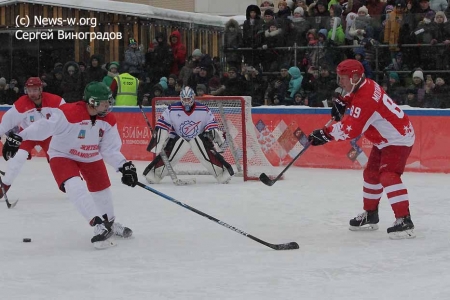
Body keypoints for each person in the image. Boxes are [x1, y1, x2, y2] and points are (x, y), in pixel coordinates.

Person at [2, 82, 138, 249]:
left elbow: (109, 149)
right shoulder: (67, 113)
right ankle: (98, 225)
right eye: (105, 102)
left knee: (101, 189)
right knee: (74, 185)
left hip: (90, 155)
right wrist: (20, 137)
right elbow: (43, 127)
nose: (108, 105)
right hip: (62, 154)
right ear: (93, 102)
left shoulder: (108, 119)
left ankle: (109, 223)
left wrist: (124, 166)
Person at [307, 59, 416, 240]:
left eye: (343, 78)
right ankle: (371, 214)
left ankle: (404, 220)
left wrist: (325, 134)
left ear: (355, 76)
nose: (340, 81)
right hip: (385, 139)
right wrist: (344, 102)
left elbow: (351, 129)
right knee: (371, 174)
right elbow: (355, 99)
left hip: (398, 139)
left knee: (388, 175)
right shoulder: (364, 85)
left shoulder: (366, 97)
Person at [143, 86, 234, 184]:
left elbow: (212, 125)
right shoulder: (172, 109)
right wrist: (160, 140)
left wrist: (216, 138)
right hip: (178, 138)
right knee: (172, 149)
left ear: (193, 97)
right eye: (184, 98)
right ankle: (155, 174)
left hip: (199, 138)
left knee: (203, 147)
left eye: (188, 98)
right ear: (181, 98)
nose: (186, 101)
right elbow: (162, 125)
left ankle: (222, 173)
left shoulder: (204, 109)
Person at [0, 77, 65, 199]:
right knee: (18, 158)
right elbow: (7, 121)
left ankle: (66, 181)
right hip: (27, 135)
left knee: (57, 159)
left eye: (35, 90)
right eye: (29, 90)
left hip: (49, 136)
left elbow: (66, 117)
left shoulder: (56, 101)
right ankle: (5, 185)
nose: (32, 93)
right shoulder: (21, 103)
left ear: (41, 89)